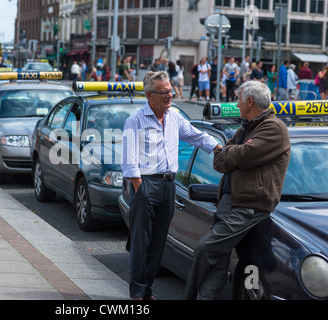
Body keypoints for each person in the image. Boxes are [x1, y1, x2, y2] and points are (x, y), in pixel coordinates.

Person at [184, 80, 291, 300]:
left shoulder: (274, 128)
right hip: (228, 202)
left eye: (239, 99)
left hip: (248, 206)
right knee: (217, 263)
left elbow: (242, 155)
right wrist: (232, 151)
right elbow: (220, 162)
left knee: (206, 248)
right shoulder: (245, 128)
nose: (237, 103)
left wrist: (231, 151)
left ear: (250, 101)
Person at [122, 71, 221, 300]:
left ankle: (147, 290)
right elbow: (129, 160)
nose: (171, 95)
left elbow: (197, 136)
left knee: (158, 242)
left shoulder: (174, 117)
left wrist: (221, 148)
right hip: (145, 184)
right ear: (149, 95)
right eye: (165, 92)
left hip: (168, 186)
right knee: (141, 241)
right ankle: (137, 293)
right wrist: (140, 188)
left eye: (171, 90)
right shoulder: (135, 120)